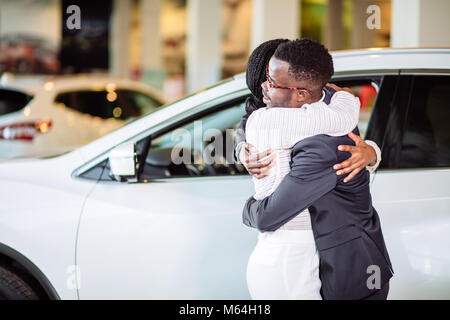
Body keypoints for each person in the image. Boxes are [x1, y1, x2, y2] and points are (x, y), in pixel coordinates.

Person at [241, 39, 393, 300]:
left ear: (302, 91)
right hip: (304, 255)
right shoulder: (326, 115)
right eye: (266, 80)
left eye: (273, 80)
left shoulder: (316, 133)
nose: (266, 87)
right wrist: (240, 149)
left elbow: (267, 216)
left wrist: (371, 153)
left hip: (340, 255)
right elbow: (343, 118)